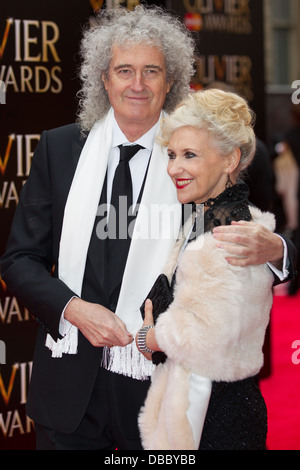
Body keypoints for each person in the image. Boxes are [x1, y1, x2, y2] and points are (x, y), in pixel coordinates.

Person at [0, 6, 296, 450]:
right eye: (124, 70)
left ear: (170, 81)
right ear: (104, 79)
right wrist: (73, 309)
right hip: (69, 387)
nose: (137, 85)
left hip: (161, 395)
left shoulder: (196, 151)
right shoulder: (59, 149)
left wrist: (277, 249)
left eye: (151, 71)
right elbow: (19, 260)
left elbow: (244, 227)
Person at [136, 89, 281, 450]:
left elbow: (201, 338)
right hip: (202, 405)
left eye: (189, 155)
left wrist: (149, 338)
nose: (174, 168)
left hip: (216, 418)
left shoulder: (232, 237)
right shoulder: (204, 223)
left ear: (230, 159)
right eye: (171, 155)